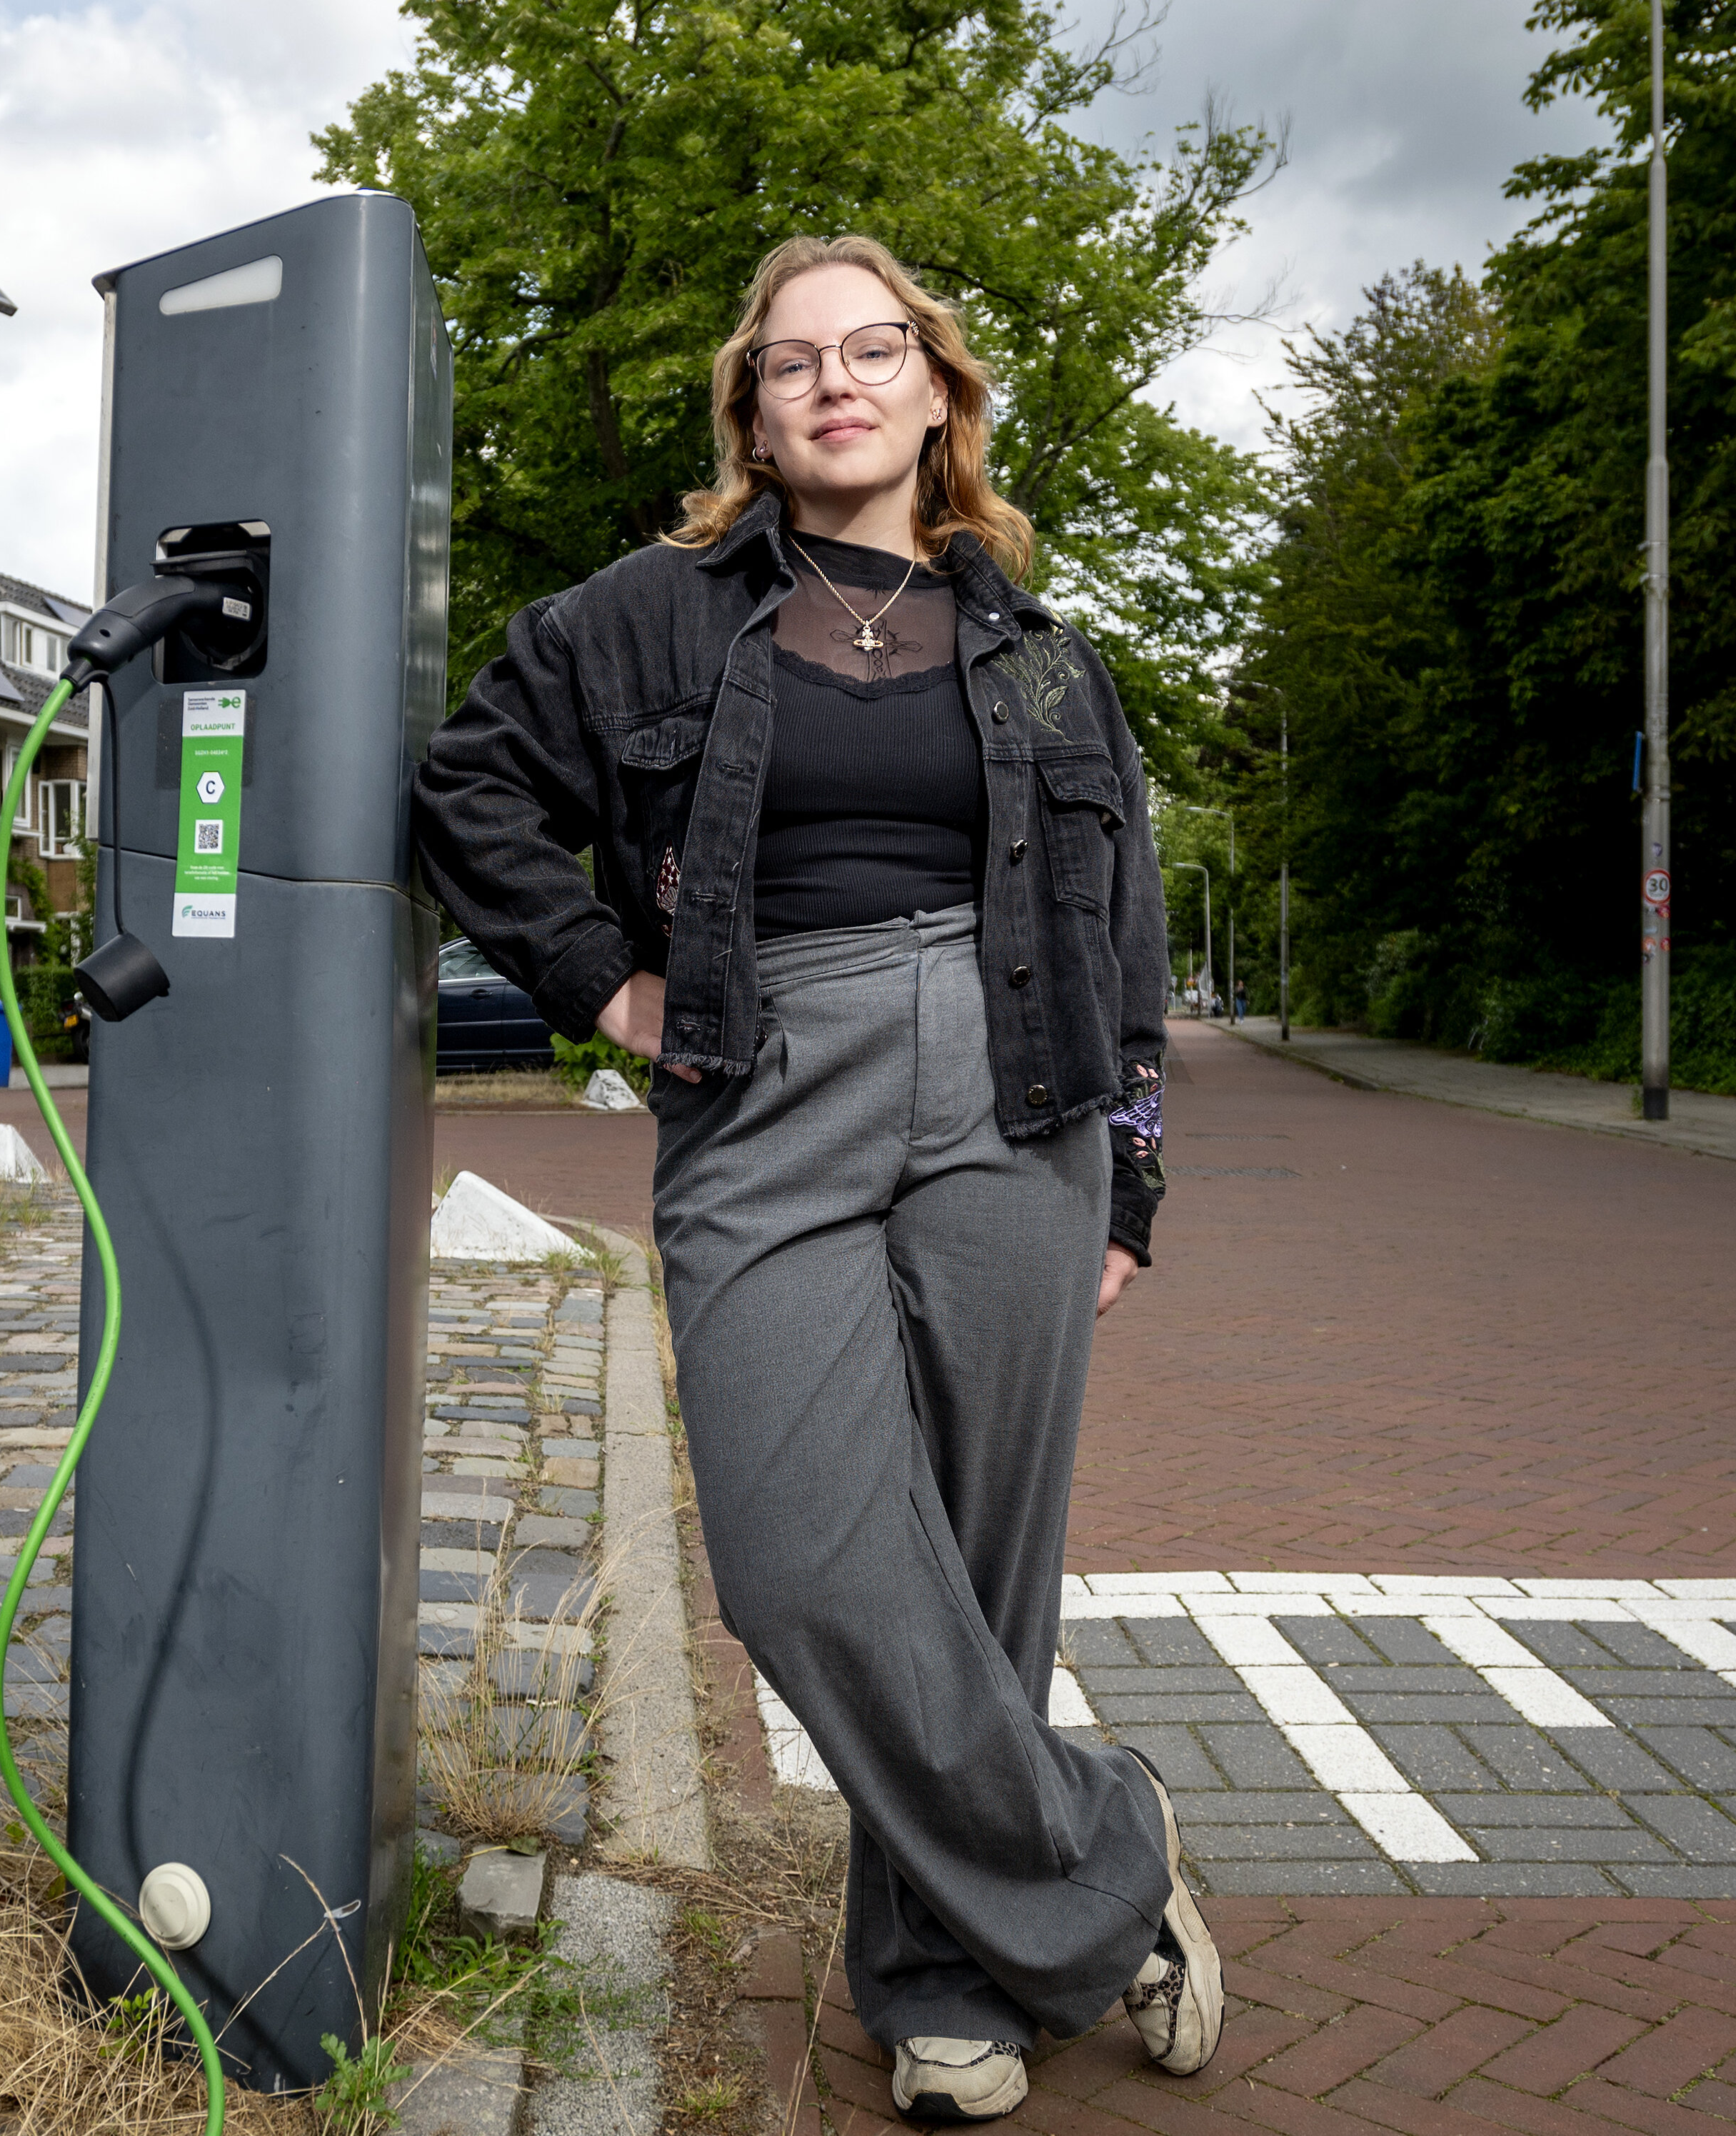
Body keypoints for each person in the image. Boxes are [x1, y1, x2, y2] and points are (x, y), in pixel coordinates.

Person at [412, 234, 1210, 2123]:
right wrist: (606, 982)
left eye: (875, 353)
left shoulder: (1045, 662)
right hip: (768, 1086)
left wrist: (1133, 1184)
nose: (837, 383)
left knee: (980, 1566)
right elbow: (469, 784)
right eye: (794, 363)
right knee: (798, 1566)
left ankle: (943, 1990)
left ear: (938, 391)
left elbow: (1124, 937)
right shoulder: (655, 615)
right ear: (754, 415)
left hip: (1024, 1102)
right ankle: (1108, 1856)